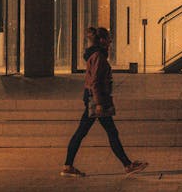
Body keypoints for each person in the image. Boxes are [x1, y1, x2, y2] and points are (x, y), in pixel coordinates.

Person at [61, 27, 147, 178]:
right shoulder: (99, 57)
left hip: (94, 97)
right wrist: (99, 103)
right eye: (108, 38)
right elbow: (94, 81)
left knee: (84, 132)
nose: (110, 41)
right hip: (97, 98)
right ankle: (127, 165)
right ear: (101, 40)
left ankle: (68, 165)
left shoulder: (95, 55)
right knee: (108, 132)